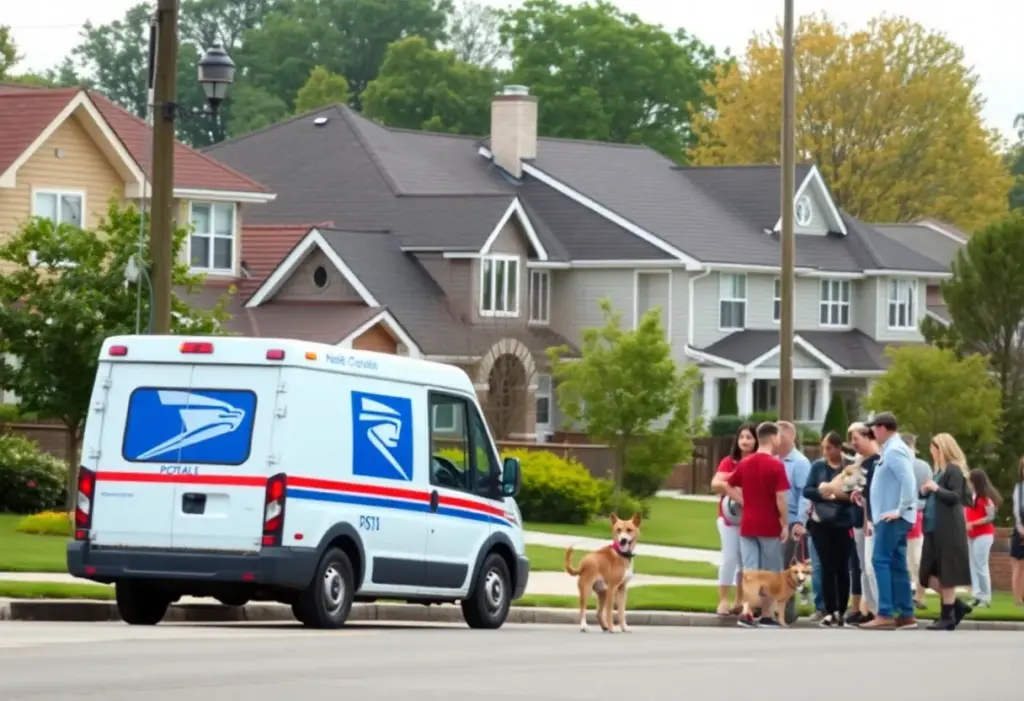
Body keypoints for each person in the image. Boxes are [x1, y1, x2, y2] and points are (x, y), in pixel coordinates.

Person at [725, 422, 790, 628]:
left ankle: (747, 611)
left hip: (748, 524)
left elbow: (729, 482)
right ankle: (768, 613)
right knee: (771, 570)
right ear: (772, 439)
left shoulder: (745, 464)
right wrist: (785, 523)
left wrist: (742, 500)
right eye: (778, 437)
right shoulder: (776, 465)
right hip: (768, 524)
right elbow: (780, 498)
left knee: (750, 569)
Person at [859, 412, 918, 630]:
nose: (871, 432)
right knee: (896, 564)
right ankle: (905, 613)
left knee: (880, 560)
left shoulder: (894, 450)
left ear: (883, 428)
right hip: (890, 516)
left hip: (891, 518)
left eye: (873, 428)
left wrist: (900, 510)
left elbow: (909, 481)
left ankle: (885, 612)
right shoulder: (893, 449)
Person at [920, 433, 974, 630]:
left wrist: (935, 488)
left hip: (948, 529)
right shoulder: (939, 471)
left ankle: (947, 616)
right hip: (932, 527)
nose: (931, 452)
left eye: (933, 448)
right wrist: (925, 490)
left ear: (940, 448)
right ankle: (956, 607)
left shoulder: (953, 470)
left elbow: (955, 497)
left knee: (947, 572)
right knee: (926, 574)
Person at [803, 432, 856, 627]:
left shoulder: (849, 467)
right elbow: (807, 489)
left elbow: (854, 493)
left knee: (842, 567)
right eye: (823, 448)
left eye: (828, 448)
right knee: (826, 566)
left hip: (843, 522)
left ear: (837, 447)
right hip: (820, 523)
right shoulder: (818, 466)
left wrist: (836, 495)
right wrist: (822, 493)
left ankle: (841, 609)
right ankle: (829, 609)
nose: (825, 452)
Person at [710, 422, 758, 616]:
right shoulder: (729, 462)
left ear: (756, 440)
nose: (744, 441)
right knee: (729, 557)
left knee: (744, 561)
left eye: (749, 437)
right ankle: (723, 600)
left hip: (751, 518)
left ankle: (740, 600)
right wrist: (734, 479)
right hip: (729, 518)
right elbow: (715, 483)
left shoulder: (760, 461)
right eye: (741, 437)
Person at [777, 421, 814, 624]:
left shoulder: (800, 463)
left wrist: (800, 521)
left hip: (791, 522)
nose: (777, 440)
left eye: (781, 436)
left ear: (792, 437)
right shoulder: (772, 459)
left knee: (787, 568)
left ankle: (787, 612)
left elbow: (805, 495)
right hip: (773, 522)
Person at [847, 423, 880, 625]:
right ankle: (867, 609)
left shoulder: (876, 463)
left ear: (868, 437)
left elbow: (873, 495)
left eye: (856, 439)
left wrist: (869, 519)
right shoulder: (863, 464)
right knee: (862, 567)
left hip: (871, 522)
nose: (853, 444)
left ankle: (877, 610)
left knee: (871, 566)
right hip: (859, 521)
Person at [903, 434, 933, 609]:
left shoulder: (900, 464)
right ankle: (920, 595)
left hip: (905, 514)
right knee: (916, 559)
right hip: (920, 514)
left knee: (906, 560)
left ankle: (913, 596)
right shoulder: (923, 466)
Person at [965, 468, 1001, 608]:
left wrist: (973, 523)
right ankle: (977, 594)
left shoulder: (985, 498)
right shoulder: (971, 496)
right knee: (973, 565)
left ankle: (986, 596)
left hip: (983, 534)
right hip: (972, 534)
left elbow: (990, 517)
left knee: (981, 564)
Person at [1012, 458, 1024, 607]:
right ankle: (1018, 599)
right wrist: (1021, 528)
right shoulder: (1019, 488)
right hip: (1021, 529)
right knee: (1019, 565)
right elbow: (1016, 510)